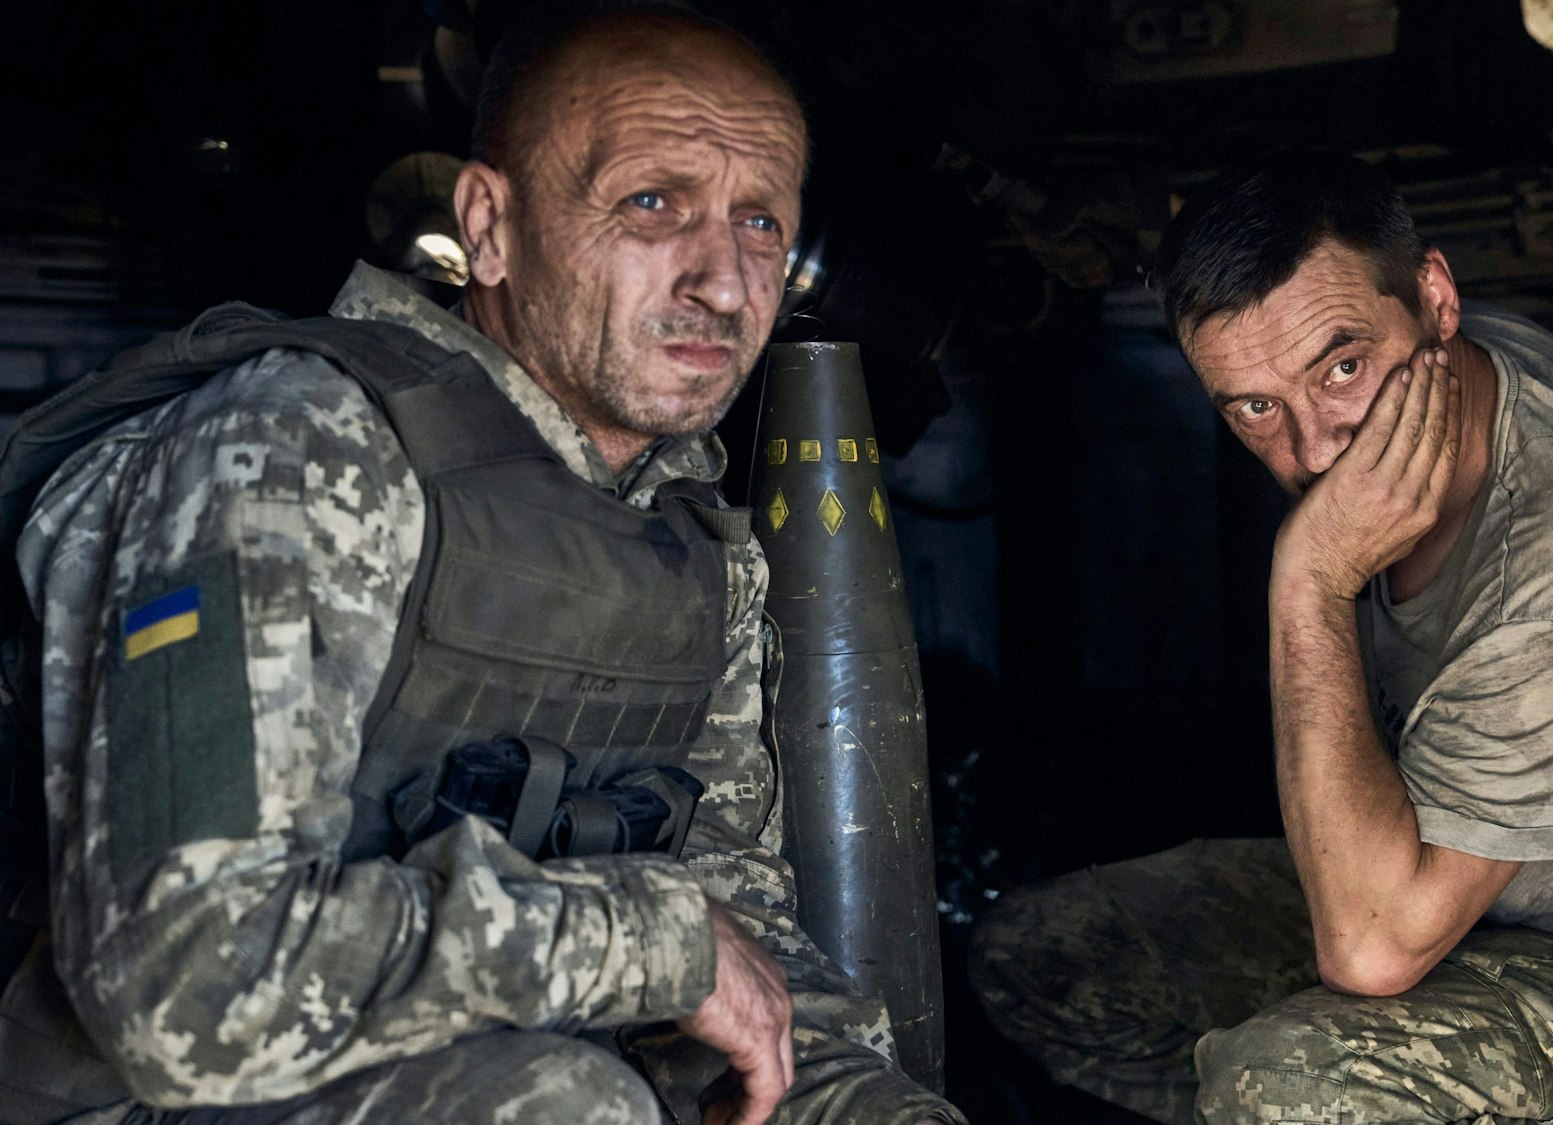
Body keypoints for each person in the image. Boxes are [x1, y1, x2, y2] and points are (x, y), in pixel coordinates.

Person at [8, 5, 961, 1123]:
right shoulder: (294, 446)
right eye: (652, 204)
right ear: (489, 225)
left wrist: (856, 1100)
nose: (719, 280)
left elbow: (734, 935)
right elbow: (186, 987)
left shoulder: (691, 541)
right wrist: (646, 943)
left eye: (760, 224)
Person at [971, 153, 1553, 1124]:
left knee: (1292, 1086)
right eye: (1254, 407)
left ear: (1434, 298)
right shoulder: (1456, 366)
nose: (1312, 451)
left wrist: (1309, 579)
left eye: (1339, 367)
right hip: (1461, 907)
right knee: (1048, 960)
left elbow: (1371, 951)